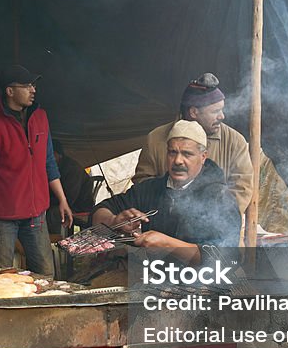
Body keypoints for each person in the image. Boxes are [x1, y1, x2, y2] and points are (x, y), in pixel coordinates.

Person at [0, 65, 73, 277]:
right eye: (27, 85)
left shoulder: (40, 118)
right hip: (3, 217)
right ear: (10, 91)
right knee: (2, 276)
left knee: (46, 274)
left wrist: (62, 199)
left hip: (36, 215)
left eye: (33, 85)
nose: (33, 89)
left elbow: (49, 163)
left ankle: (46, 311)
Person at [92, 120, 240, 251]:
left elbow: (227, 256)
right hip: (150, 276)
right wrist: (113, 221)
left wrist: (169, 245)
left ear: (203, 157)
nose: (178, 161)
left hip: (200, 281)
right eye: (172, 152)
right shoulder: (149, 189)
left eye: (187, 154)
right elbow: (99, 211)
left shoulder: (220, 197)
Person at [132, 73, 253, 215]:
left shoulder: (235, 141)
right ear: (194, 112)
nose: (222, 116)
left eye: (221, 109)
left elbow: (242, 188)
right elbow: (143, 184)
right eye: (215, 111)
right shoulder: (155, 139)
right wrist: (169, 211)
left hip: (212, 231)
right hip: (161, 229)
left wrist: (211, 221)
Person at [47, 139, 95, 234]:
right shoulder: (57, 167)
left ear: (57, 154)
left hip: (79, 205)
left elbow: (69, 198)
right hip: (66, 202)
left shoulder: (72, 169)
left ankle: (55, 239)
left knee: (53, 213)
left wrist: (49, 203)